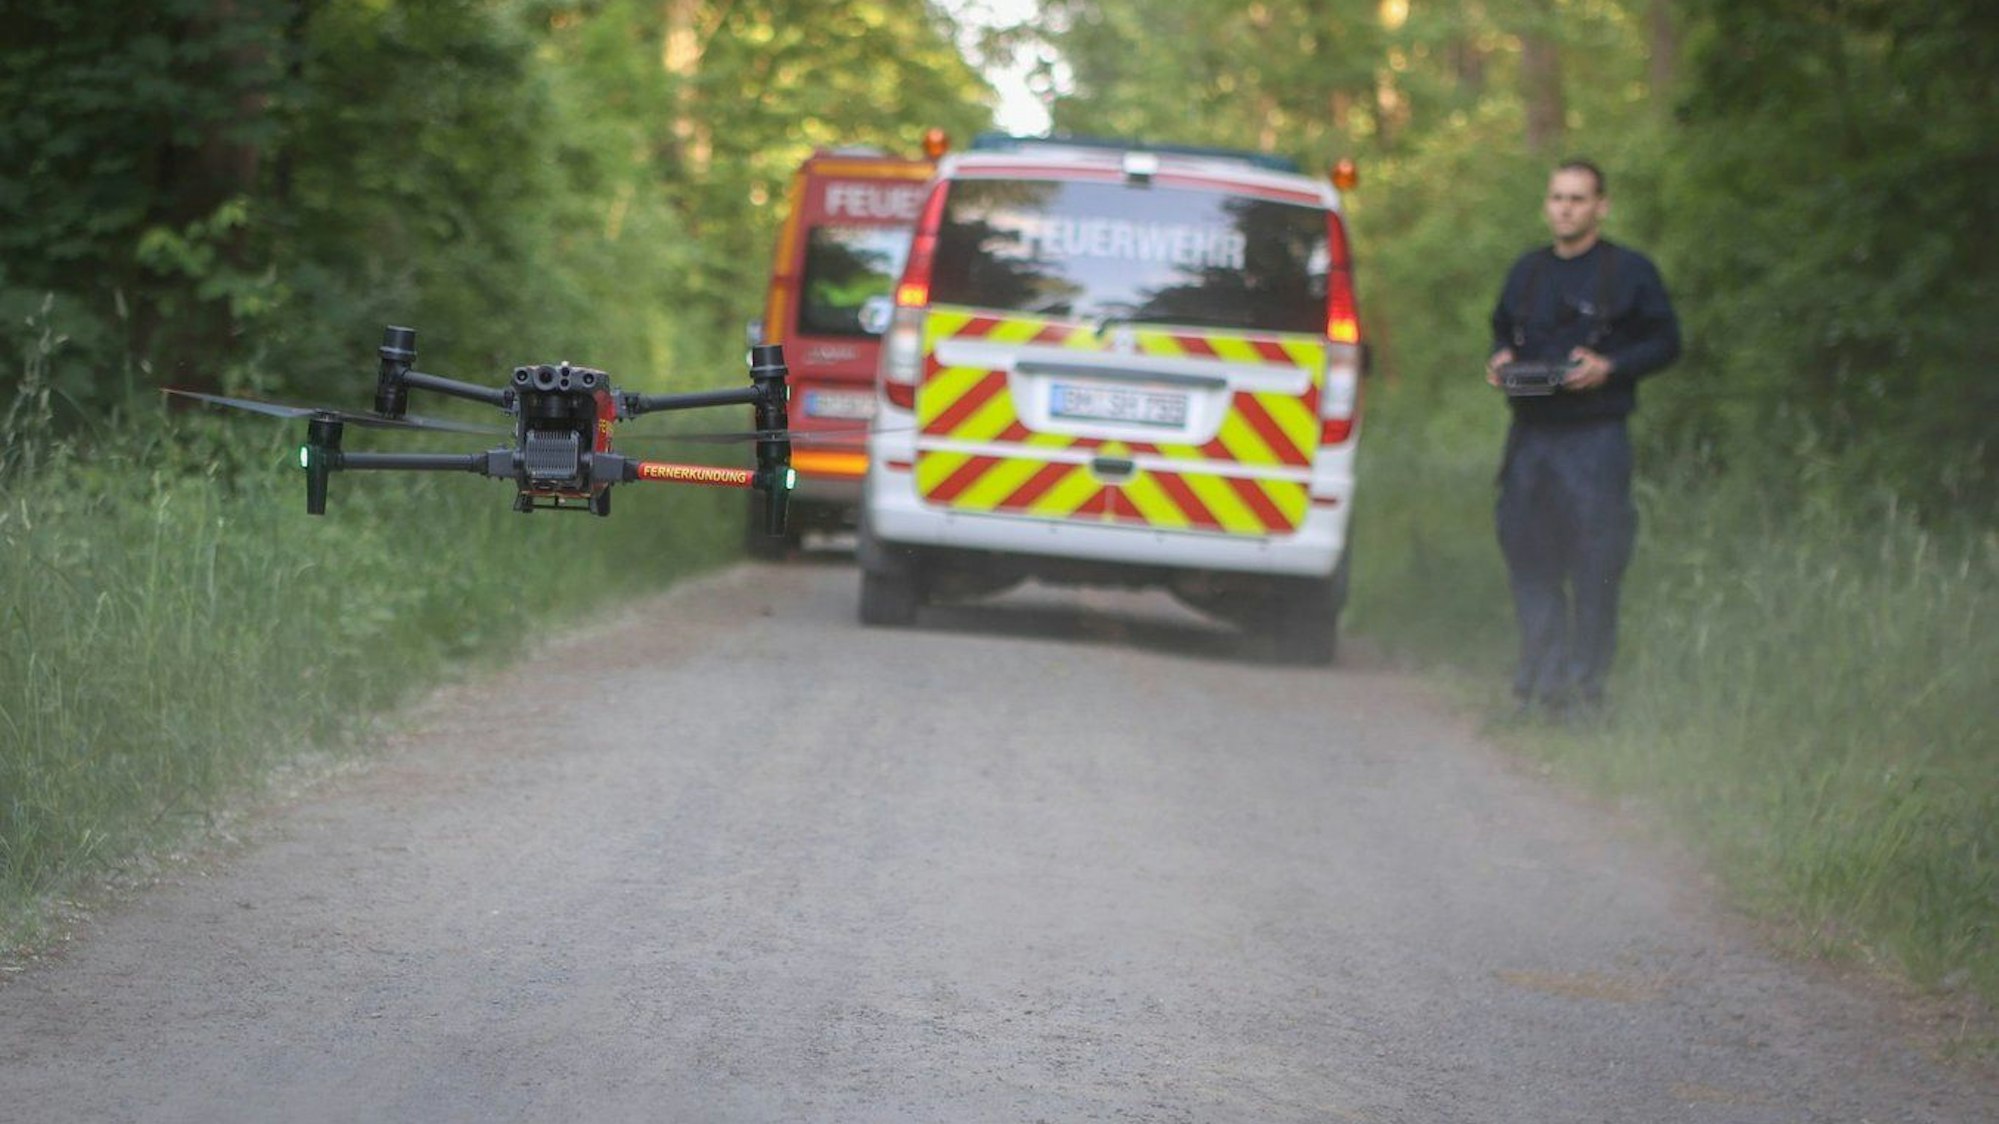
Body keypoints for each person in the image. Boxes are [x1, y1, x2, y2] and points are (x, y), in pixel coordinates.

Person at [1485, 159, 1680, 718]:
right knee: (1530, 559)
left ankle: (1584, 695)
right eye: (1557, 197)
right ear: (1547, 204)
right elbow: (1501, 328)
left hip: (1594, 439)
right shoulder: (1527, 273)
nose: (1565, 207)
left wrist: (1610, 366)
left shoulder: (1630, 273)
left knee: (1595, 566)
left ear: (1601, 206)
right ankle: (1539, 687)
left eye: (1577, 198)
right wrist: (1502, 359)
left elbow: (1668, 342)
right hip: (1530, 439)